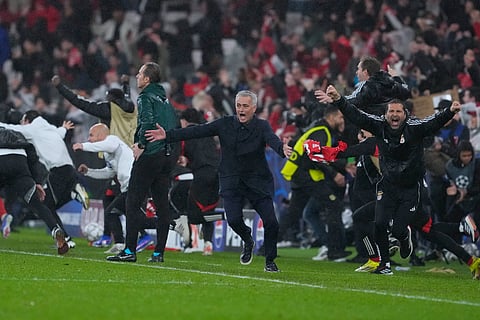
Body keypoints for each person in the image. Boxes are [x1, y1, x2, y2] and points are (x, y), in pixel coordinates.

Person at [316, 85, 480, 279]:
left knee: (406, 228)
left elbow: (432, 122)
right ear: (385, 116)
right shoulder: (377, 129)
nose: (361, 133)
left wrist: (448, 111)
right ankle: (380, 261)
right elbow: (357, 118)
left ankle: (389, 250)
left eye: (398, 111)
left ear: (405, 114)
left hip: (412, 190)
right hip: (388, 188)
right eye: (391, 111)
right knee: (417, 227)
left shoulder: (401, 132)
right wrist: (338, 103)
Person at [145, 90, 293, 272]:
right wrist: (167, 135)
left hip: (257, 181)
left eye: (245, 106)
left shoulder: (262, 126)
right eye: (238, 105)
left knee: (271, 222)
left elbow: (273, 140)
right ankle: (248, 238)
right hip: (232, 181)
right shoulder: (225, 124)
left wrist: (282, 149)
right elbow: (197, 130)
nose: (241, 109)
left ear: (254, 108)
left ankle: (270, 260)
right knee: (233, 220)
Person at [51, 74, 155, 249]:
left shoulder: (108, 110)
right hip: (134, 154)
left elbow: (80, 102)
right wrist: (125, 85)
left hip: (121, 157)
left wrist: (61, 87)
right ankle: (114, 237)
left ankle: (147, 232)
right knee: (113, 200)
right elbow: (126, 97)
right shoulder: (131, 108)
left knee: (123, 205)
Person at [106, 62, 180, 263]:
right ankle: (158, 253)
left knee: (132, 202)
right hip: (166, 157)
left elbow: (146, 121)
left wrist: (141, 144)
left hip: (150, 155)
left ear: (147, 79)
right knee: (162, 204)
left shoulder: (146, 97)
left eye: (139, 74)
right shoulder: (166, 101)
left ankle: (129, 251)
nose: (137, 77)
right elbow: (176, 126)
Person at [0, 110, 89, 248]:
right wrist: (64, 128)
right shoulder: (51, 129)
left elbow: (14, 129)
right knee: (43, 204)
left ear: (27, 120)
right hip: (69, 167)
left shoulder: (32, 129)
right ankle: (60, 226)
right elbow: (60, 133)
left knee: (47, 204)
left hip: (56, 169)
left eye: (23, 122)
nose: (22, 124)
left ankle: (66, 237)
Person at [280, 105, 350, 261]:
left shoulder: (318, 130)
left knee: (293, 214)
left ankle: (266, 247)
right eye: (340, 117)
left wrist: (342, 165)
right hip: (306, 176)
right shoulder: (321, 132)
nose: (341, 120)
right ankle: (334, 250)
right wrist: (334, 173)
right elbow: (315, 155)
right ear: (331, 117)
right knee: (334, 205)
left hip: (299, 175)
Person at [0, 127, 69, 254]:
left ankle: (4, 215)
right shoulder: (19, 136)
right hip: (20, 163)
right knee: (37, 204)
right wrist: (37, 182)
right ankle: (55, 229)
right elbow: (33, 159)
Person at [170, 108, 222, 255]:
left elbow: (181, 158)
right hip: (216, 174)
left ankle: (194, 243)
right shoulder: (208, 133)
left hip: (200, 175)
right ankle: (208, 244)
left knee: (193, 212)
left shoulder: (187, 135)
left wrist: (184, 160)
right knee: (209, 210)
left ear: (184, 121)